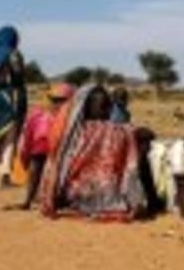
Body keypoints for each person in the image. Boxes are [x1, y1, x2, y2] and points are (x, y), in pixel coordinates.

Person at [39, 84, 154, 221]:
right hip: (102, 196)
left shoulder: (71, 133)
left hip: (72, 195)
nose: (108, 110)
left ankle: (151, 199)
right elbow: (137, 133)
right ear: (87, 108)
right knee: (138, 149)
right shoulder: (105, 131)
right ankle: (152, 199)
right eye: (103, 106)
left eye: (108, 105)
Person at [0, 25, 28, 190]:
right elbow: (19, 76)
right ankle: (5, 176)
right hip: (13, 98)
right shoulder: (14, 54)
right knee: (10, 138)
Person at [16, 84, 73, 210]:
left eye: (61, 101)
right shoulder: (41, 116)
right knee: (39, 170)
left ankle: (32, 199)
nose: (57, 104)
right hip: (43, 148)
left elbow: (27, 138)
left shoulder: (38, 115)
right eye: (55, 100)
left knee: (38, 171)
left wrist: (26, 155)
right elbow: (28, 137)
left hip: (43, 148)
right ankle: (32, 199)